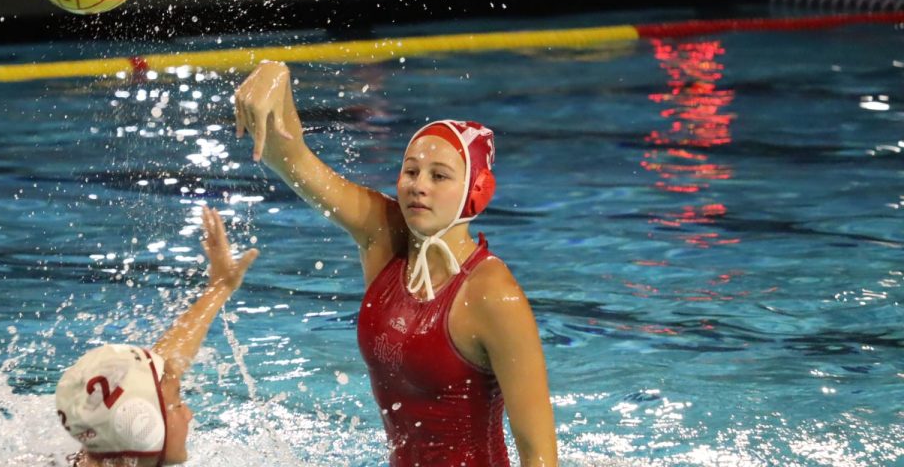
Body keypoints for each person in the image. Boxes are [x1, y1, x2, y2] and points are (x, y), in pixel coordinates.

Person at [234, 61, 558, 467]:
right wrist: (273, 73)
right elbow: (289, 159)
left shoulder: (493, 295)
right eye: (411, 171)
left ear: (477, 191)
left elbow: (540, 455)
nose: (419, 185)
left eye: (439, 176)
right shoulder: (383, 236)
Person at [55, 206, 258, 466]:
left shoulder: (100, 447)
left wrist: (218, 288)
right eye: (177, 404)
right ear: (141, 426)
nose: (189, 414)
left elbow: (161, 369)